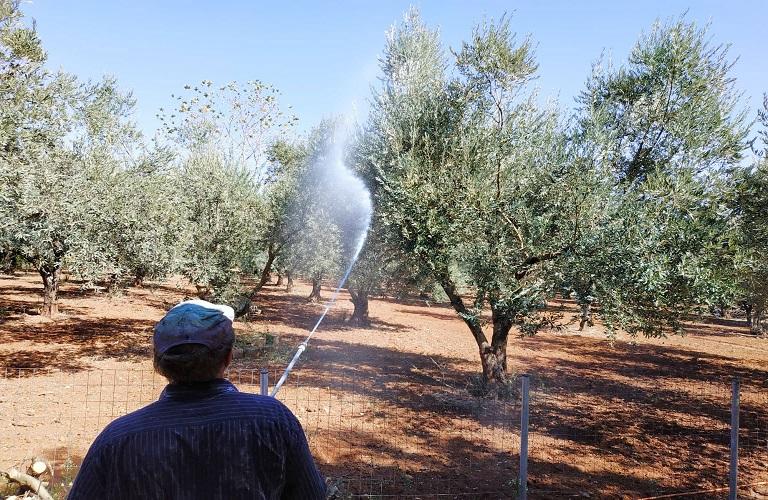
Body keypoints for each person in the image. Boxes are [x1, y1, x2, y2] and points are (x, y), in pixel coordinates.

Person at [68, 299, 326, 499]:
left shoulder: (117, 439)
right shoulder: (273, 419)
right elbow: (312, 494)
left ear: (158, 363)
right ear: (228, 357)